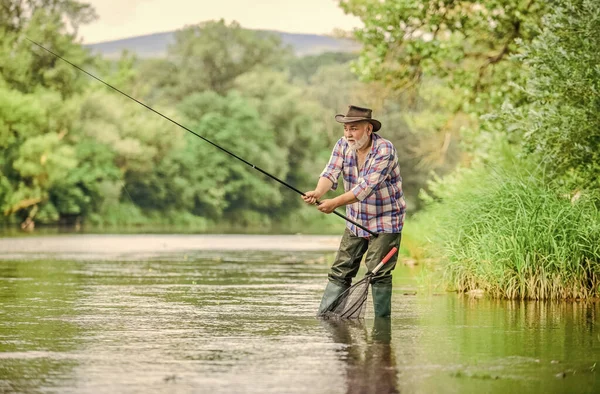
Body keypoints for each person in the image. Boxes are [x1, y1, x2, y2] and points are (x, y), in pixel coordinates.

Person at [302, 105, 406, 317]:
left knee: (379, 273)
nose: (349, 134)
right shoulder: (342, 145)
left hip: (386, 219)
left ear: (368, 129)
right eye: (346, 128)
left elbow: (365, 187)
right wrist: (318, 192)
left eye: (354, 128)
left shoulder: (384, 149)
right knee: (341, 270)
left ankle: (382, 328)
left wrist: (335, 203)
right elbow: (330, 173)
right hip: (356, 218)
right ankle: (326, 319)